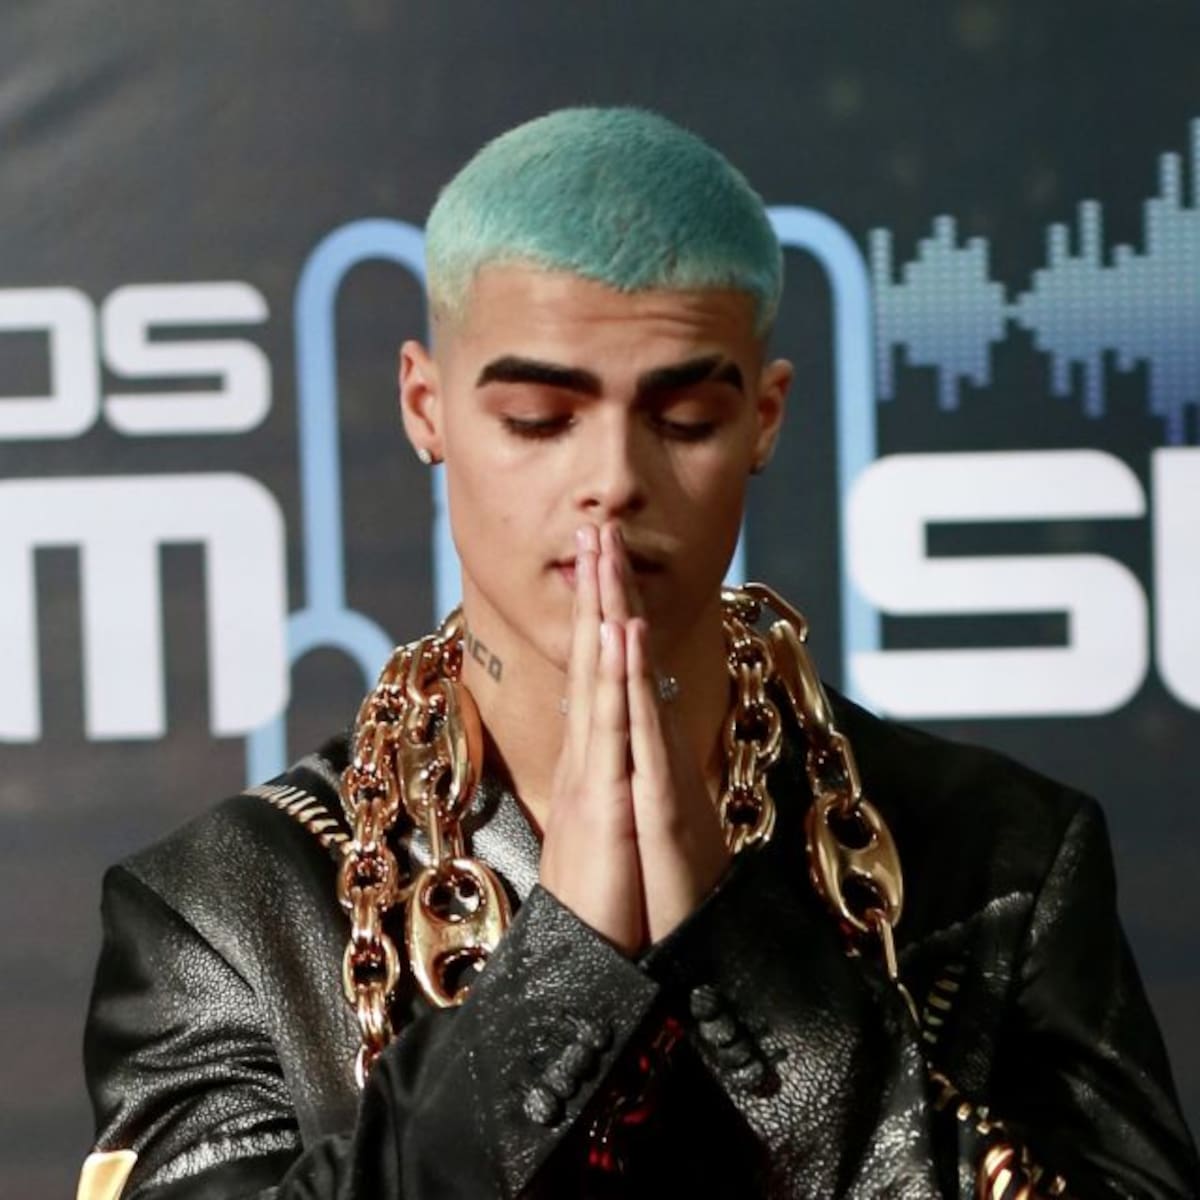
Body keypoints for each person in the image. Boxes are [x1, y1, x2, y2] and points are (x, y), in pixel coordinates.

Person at [79, 107, 1198, 1200]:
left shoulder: (1002, 864)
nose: (613, 479)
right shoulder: (224, 913)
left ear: (765, 418)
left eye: (685, 420)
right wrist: (563, 970)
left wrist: (745, 958)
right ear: (427, 407)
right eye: (538, 417)